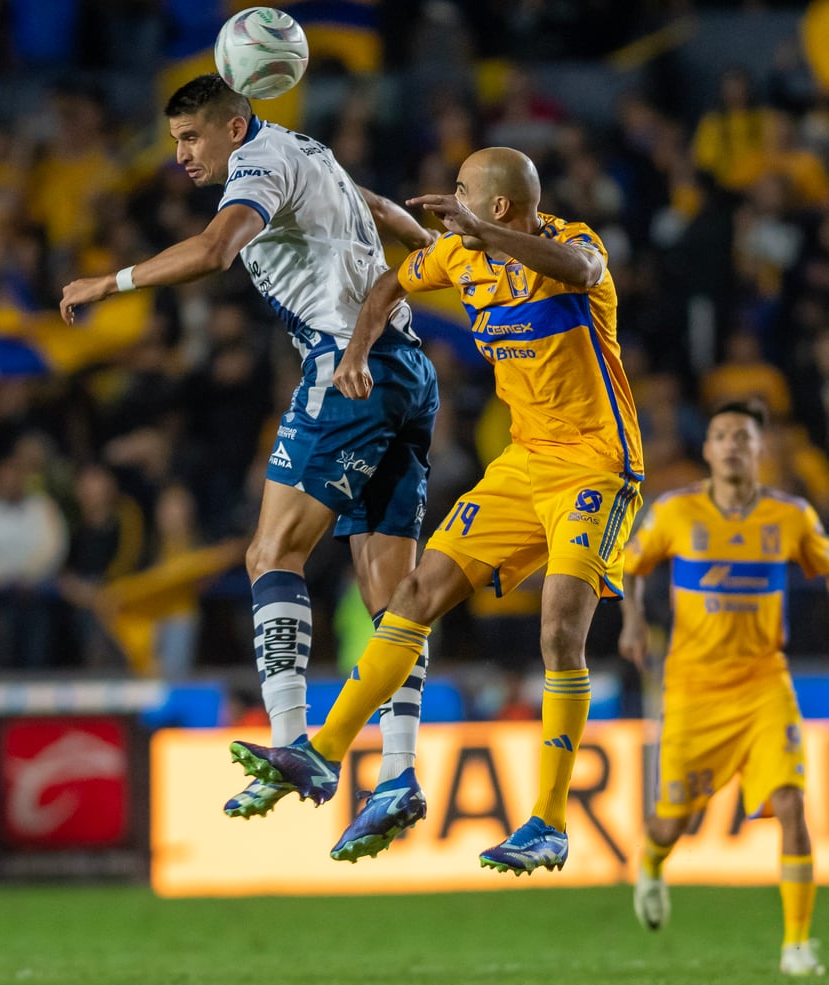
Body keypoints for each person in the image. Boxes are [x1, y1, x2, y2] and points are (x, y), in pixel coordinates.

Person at [229, 145, 645, 871]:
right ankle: (322, 753)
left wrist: (485, 238)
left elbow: (581, 273)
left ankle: (547, 820)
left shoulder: (573, 245)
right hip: (522, 465)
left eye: (464, 191)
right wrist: (359, 347)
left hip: (598, 466)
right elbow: (391, 282)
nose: (451, 199)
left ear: (504, 207)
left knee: (559, 630)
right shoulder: (461, 257)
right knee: (415, 594)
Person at [60, 74, 440, 857]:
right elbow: (374, 206)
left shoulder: (260, 161)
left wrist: (109, 282)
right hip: (409, 370)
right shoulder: (310, 149)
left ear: (233, 128)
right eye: (175, 141)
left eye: (191, 138)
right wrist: (431, 248)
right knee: (389, 593)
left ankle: (292, 738)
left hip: (349, 364)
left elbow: (213, 250)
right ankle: (399, 771)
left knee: (272, 551)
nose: (179, 155)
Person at [618, 400, 827, 978]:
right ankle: (653, 864)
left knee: (790, 805)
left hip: (765, 684)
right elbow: (630, 566)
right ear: (706, 450)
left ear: (760, 450)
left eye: (742, 436)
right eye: (720, 435)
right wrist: (633, 619)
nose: (732, 444)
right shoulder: (676, 512)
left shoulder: (792, 518)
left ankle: (797, 946)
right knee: (673, 824)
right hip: (693, 689)